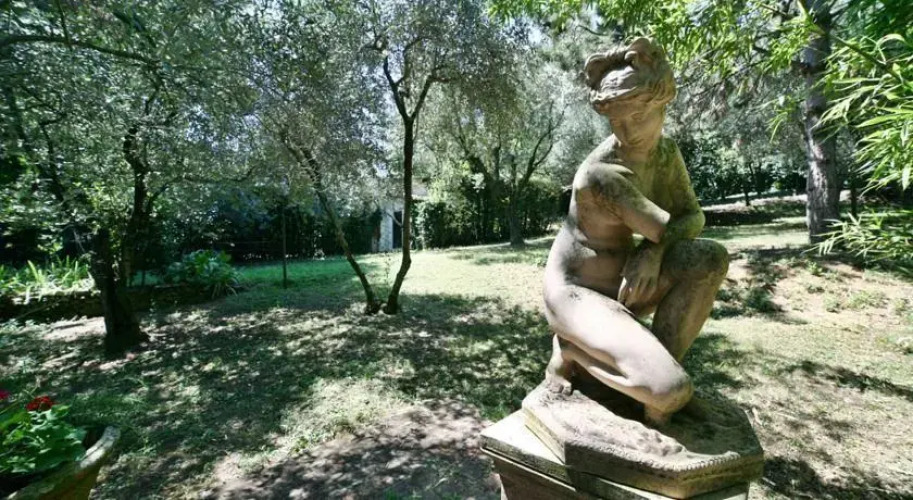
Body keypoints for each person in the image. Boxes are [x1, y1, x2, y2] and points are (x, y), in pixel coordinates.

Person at [543, 38, 729, 427]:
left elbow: (693, 217)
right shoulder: (601, 174)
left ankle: (658, 385)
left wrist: (653, 253)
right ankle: (573, 350)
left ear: (662, 104)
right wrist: (655, 246)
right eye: (616, 120)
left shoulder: (665, 153)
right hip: (577, 293)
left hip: (627, 281)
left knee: (710, 259)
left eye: (638, 116)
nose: (628, 131)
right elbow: (667, 227)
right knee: (670, 390)